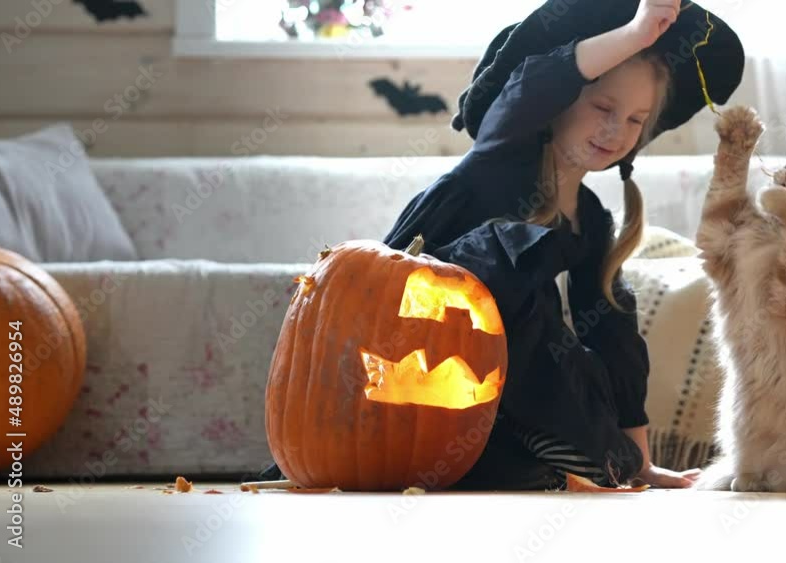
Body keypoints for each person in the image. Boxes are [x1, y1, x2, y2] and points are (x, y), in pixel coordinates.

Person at [249, 0, 744, 491]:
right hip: (405, 358)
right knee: (512, 256)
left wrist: (640, 464)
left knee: (598, 321)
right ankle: (561, 449)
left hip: (487, 397)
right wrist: (636, 34)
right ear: (561, 104)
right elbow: (530, 86)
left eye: (636, 120)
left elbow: (616, 339)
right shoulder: (504, 152)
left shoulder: (592, 220)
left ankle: (556, 455)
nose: (617, 131)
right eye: (603, 107)